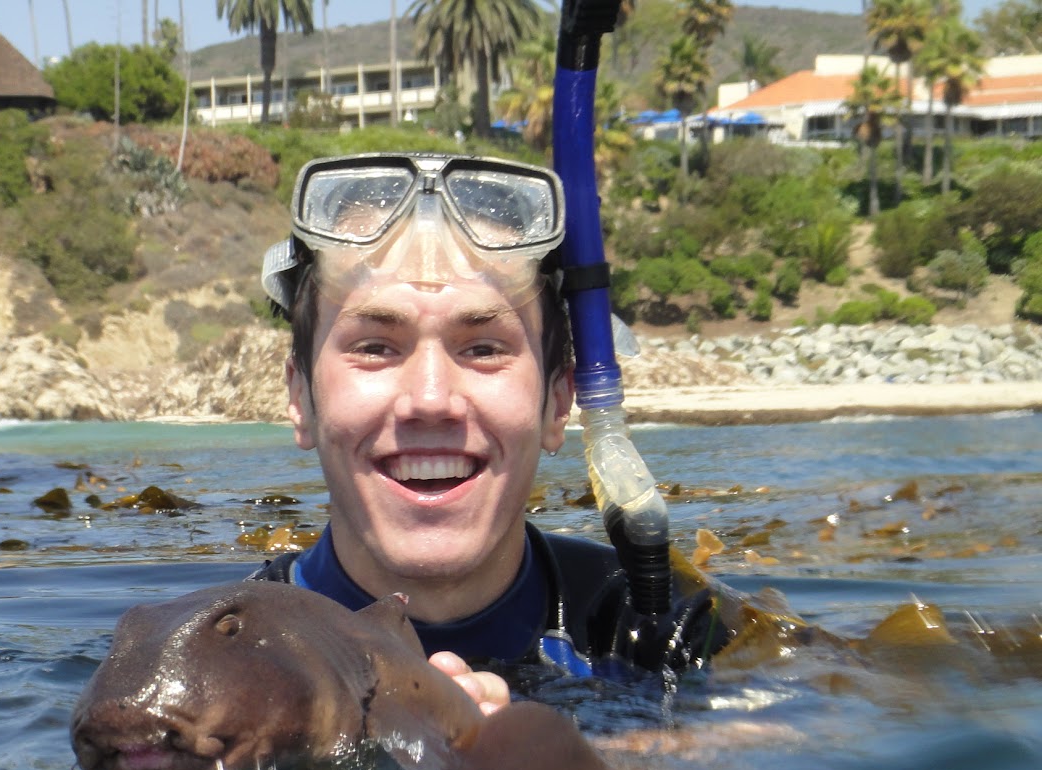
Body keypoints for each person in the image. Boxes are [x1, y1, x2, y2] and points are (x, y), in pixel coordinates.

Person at [249, 152, 724, 712]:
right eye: (376, 347)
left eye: (483, 349)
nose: (430, 400)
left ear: (559, 400)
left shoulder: (667, 632)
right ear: (300, 396)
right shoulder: (227, 657)